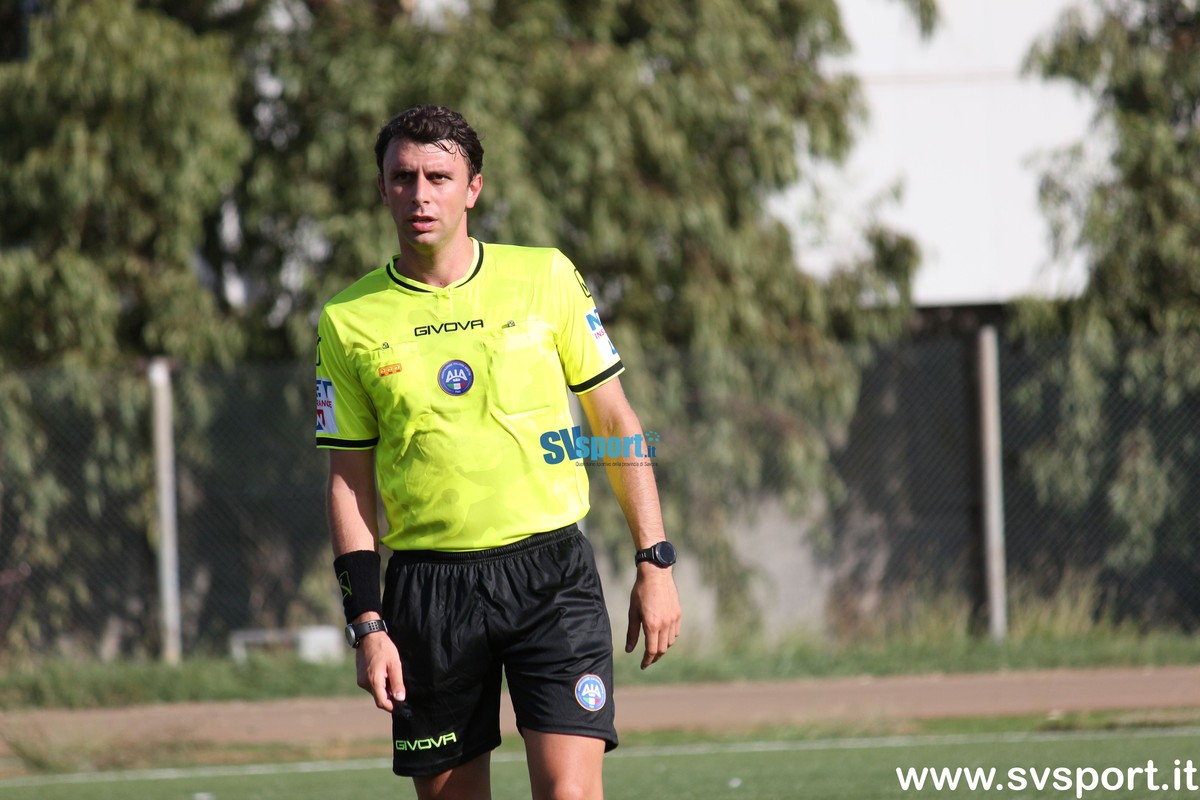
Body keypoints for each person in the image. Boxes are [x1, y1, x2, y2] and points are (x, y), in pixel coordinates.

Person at [314, 104, 682, 800]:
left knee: (571, 795)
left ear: (473, 189)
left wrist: (654, 559)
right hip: (430, 593)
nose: (420, 195)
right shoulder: (347, 320)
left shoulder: (545, 276)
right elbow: (349, 483)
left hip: (551, 577)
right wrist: (367, 624)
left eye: (439, 177)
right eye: (403, 177)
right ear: (383, 188)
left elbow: (614, 419)